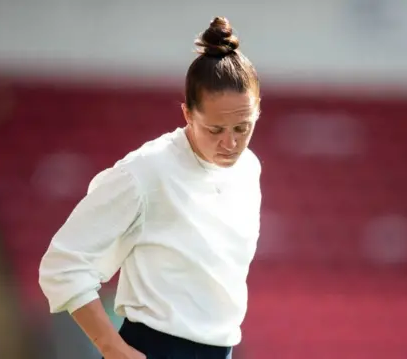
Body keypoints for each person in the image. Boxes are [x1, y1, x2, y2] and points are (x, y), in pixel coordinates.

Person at [39, 16, 261, 359]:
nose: (230, 142)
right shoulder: (144, 172)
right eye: (216, 130)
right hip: (153, 348)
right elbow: (63, 265)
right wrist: (111, 346)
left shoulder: (249, 168)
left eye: (242, 127)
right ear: (188, 114)